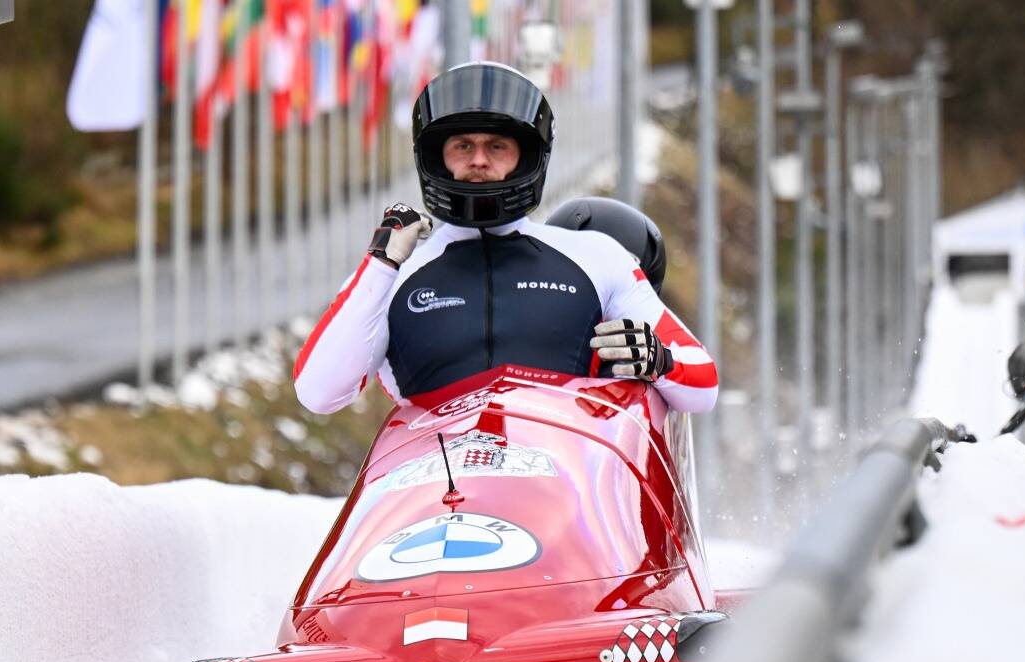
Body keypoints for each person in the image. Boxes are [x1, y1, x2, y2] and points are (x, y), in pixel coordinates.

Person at [293, 61, 718, 416]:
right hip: (439, 491)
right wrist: (380, 265)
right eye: (462, 146)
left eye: (497, 146)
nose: (478, 160)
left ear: (527, 157)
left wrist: (660, 360)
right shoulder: (398, 272)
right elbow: (319, 393)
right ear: (437, 158)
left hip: (557, 490)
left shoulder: (597, 256)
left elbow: (704, 386)